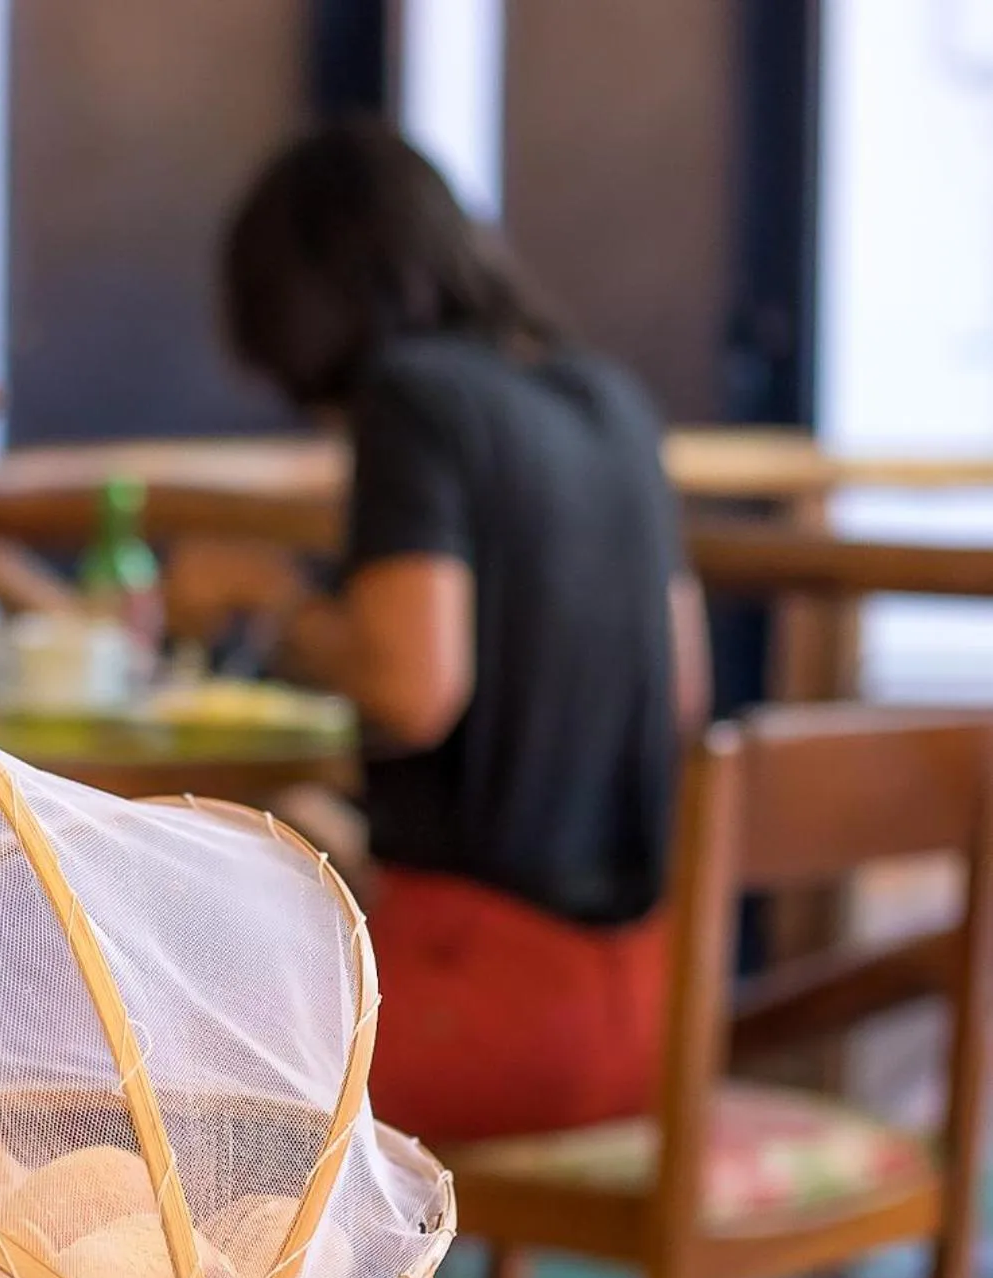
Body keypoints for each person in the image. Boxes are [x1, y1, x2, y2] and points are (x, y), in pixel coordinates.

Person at [185, 121, 710, 1144]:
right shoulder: (609, 397)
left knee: (169, 1074)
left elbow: (412, 684)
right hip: (648, 1009)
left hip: (476, 1012)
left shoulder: (409, 396)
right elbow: (681, 689)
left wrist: (269, 599)